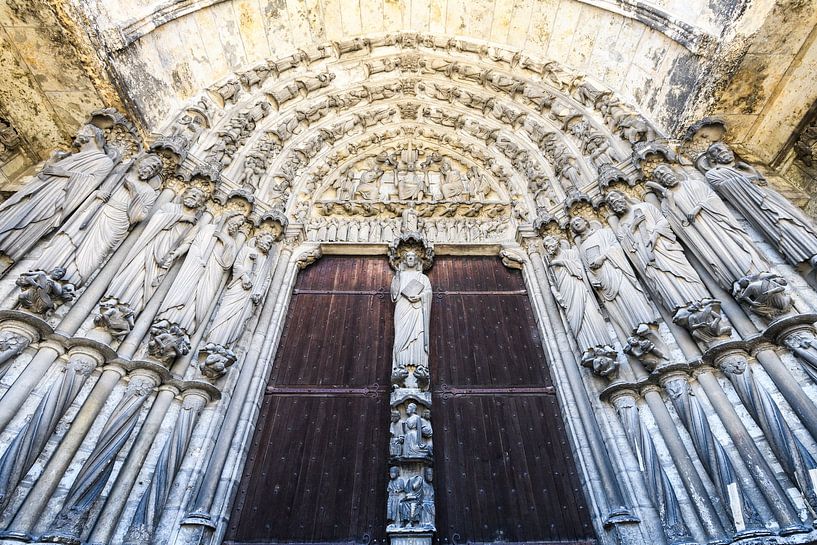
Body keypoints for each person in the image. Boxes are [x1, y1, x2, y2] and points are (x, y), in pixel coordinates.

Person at [0, 124, 115, 262]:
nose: (77, 133)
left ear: (92, 136)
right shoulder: (73, 156)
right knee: (12, 214)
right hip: (37, 191)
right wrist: (53, 161)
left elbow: (92, 182)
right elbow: (43, 175)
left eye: (83, 130)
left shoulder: (103, 161)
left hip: (54, 199)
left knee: (27, 220)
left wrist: (64, 173)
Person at [391, 251, 432, 369]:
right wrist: (397, 276)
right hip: (402, 307)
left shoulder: (423, 278)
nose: (410, 258)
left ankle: (419, 365)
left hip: (417, 308)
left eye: (412, 256)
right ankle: (400, 365)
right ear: (404, 260)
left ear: (416, 260)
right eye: (408, 256)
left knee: (418, 335)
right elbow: (394, 295)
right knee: (400, 335)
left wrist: (419, 297)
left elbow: (428, 292)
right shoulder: (399, 276)